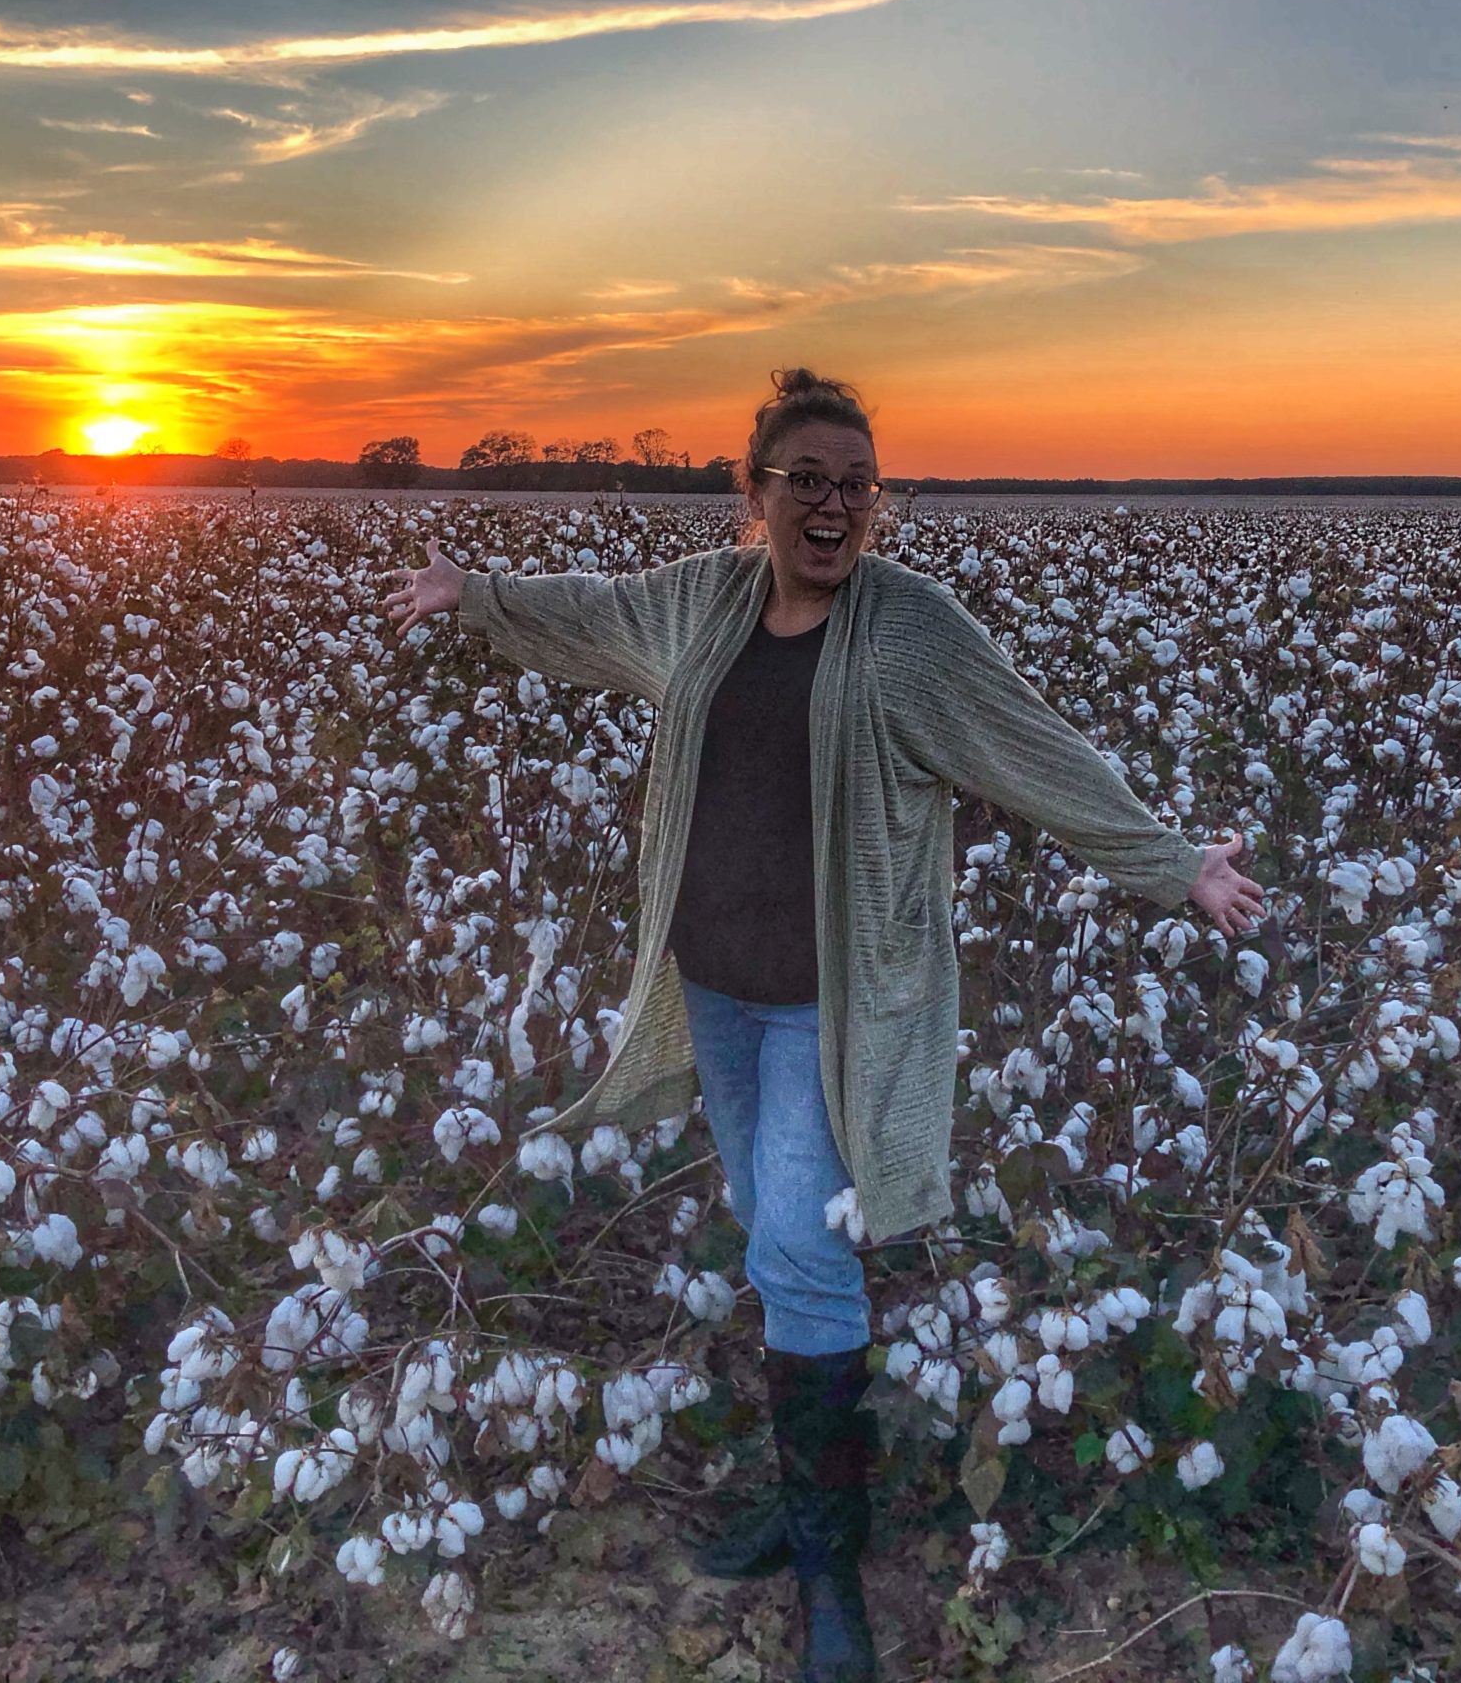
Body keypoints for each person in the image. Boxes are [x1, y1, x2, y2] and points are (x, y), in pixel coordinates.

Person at [382, 369, 1263, 1683]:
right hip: (716, 991)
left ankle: (828, 1561)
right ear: (758, 492)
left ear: (876, 500)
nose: (834, 504)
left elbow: (1031, 744)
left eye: (856, 481)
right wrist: (485, 598)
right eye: (807, 479)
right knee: (774, 1232)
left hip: (833, 1006)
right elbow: (601, 614)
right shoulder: (705, 601)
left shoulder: (912, 634)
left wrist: (1170, 864)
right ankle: (804, 1503)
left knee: (801, 1243)